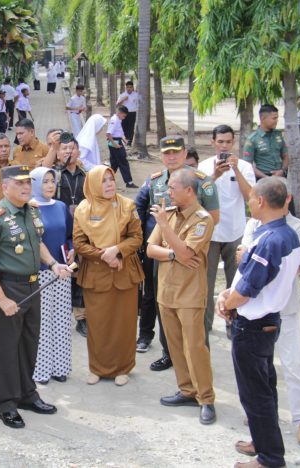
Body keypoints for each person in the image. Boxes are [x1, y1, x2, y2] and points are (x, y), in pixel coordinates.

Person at [0, 165, 72, 429]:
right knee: (7, 348)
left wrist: (53, 264)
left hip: (33, 286)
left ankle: (27, 394)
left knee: (29, 343)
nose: (26, 188)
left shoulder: (31, 210)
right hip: (8, 288)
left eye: (28, 183)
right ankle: (7, 403)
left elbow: (37, 242)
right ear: (5, 187)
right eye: (19, 184)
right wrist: (1, 298)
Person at [216, 177, 300, 468]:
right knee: (264, 386)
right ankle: (262, 442)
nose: (249, 202)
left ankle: (269, 458)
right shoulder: (287, 234)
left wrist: (227, 303)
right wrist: (231, 296)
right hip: (265, 322)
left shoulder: (271, 240)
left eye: (251, 198)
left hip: (253, 325)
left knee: (255, 393)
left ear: (262, 201)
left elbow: (247, 289)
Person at [238, 179, 300, 448]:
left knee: (293, 364)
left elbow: (287, 269)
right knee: (261, 370)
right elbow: (242, 258)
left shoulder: (298, 229)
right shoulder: (253, 224)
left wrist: (250, 263)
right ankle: (264, 426)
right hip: (253, 311)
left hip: (283, 307)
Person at [135, 136, 219, 371]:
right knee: (164, 303)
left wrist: (184, 245)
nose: (171, 157)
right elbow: (139, 210)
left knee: (193, 308)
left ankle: (199, 358)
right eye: (166, 153)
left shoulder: (201, 181)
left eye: (176, 152)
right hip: (160, 251)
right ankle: (169, 352)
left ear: (184, 154)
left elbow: (213, 217)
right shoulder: (154, 181)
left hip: (191, 254)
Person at [146, 169, 217, 425]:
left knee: (195, 348)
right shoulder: (171, 214)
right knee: (174, 346)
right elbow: (151, 249)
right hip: (167, 292)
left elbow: (188, 252)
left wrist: (166, 230)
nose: (168, 193)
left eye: (172, 188)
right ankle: (187, 390)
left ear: (189, 190)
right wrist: (173, 253)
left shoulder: (202, 219)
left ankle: (206, 398)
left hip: (190, 295)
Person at [73, 165, 144, 386]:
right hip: (96, 273)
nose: (109, 184)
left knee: (124, 323)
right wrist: (103, 255)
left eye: (111, 179)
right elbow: (79, 243)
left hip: (124, 272)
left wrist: (117, 251)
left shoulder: (127, 206)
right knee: (98, 324)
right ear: (93, 184)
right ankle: (97, 368)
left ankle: (123, 367)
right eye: (103, 181)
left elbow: (136, 237)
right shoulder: (83, 210)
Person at [198, 125, 255, 342]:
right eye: (220, 141)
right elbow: (198, 195)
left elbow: (251, 196)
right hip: (211, 233)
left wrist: (236, 170)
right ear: (212, 142)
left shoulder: (245, 166)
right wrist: (215, 174)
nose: (224, 146)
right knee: (206, 281)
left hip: (236, 232)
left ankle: (233, 322)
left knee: (236, 282)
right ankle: (205, 324)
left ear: (233, 143)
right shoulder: (203, 166)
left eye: (228, 142)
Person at [29, 167, 73, 385]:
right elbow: (34, 241)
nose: (49, 185)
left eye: (52, 181)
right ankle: (41, 369)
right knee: (43, 323)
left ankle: (60, 367)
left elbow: (69, 234)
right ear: (35, 183)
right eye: (44, 181)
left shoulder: (61, 206)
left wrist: (72, 249)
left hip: (63, 270)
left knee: (62, 319)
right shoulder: (30, 208)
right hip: (41, 272)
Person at [43, 134, 89, 337]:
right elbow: (42, 175)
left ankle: (81, 317)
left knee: (78, 270)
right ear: (58, 152)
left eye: (72, 148)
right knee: (62, 271)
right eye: (64, 148)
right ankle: (58, 315)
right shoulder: (54, 175)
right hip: (62, 232)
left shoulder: (86, 175)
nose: (68, 151)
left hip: (82, 230)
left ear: (78, 151)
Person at [242, 104, 289, 180]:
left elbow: (286, 156)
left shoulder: (278, 134)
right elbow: (248, 165)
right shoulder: (252, 139)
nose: (277, 121)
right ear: (263, 119)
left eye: (277, 118)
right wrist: (267, 178)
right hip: (262, 179)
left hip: (281, 176)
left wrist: (282, 170)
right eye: (274, 118)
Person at [106, 106, 137, 188]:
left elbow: (119, 132)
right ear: (120, 113)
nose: (124, 118)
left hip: (116, 141)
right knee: (123, 162)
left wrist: (124, 139)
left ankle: (107, 179)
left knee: (114, 163)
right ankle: (129, 182)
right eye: (123, 116)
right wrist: (115, 144)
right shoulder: (114, 120)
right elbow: (108, 134)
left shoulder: (117, 119)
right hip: (115, 142)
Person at [116, 81, 140, 146]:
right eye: (128, 87)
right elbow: (117, 104)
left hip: (132, 113)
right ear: (126, 88)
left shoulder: (136, 95)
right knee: (124, 126)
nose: (129, 88)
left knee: (131, 127)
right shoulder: (123, 95)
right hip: (124, 113)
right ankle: (126, 139)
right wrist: (123, 99)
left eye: (130, 87)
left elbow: (139, 104)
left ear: (132, 88)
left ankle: (129, 141)